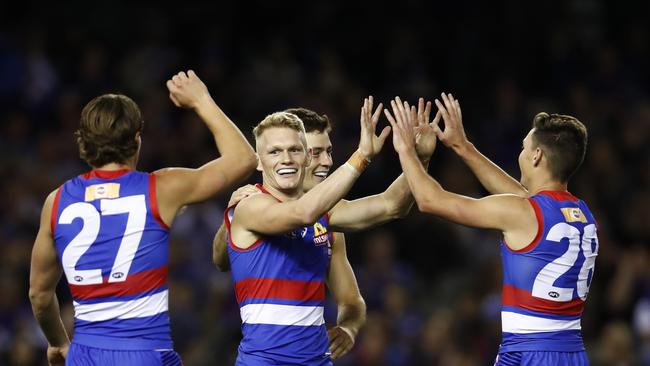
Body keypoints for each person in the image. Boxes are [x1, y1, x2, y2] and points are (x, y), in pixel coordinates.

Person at [28, 70, 257, 366]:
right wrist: (201, 100)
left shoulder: (56, 201)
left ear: (83, 141)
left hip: (85, 355)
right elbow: (244, 159)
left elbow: (39, 294)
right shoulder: (161, 189)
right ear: (137, 140)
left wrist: (58, 343)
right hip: (144, 353)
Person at [213, 102, 438, 360]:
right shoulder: (252, 203)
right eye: (317, 152)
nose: (327, 162)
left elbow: (392, 205)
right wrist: (362, 156)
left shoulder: (327, 218)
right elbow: (299, 214)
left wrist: (418, 158)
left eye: (328, 152)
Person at [385, 94, 598, 365]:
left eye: (523, 148)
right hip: (571, 352)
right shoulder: (582, 213)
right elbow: (522, 197)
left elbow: (430, 200)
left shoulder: (522, 212)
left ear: (536, 155)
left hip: (530, 351)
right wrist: (462, 146)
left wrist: (406, 150)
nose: (520, 154)